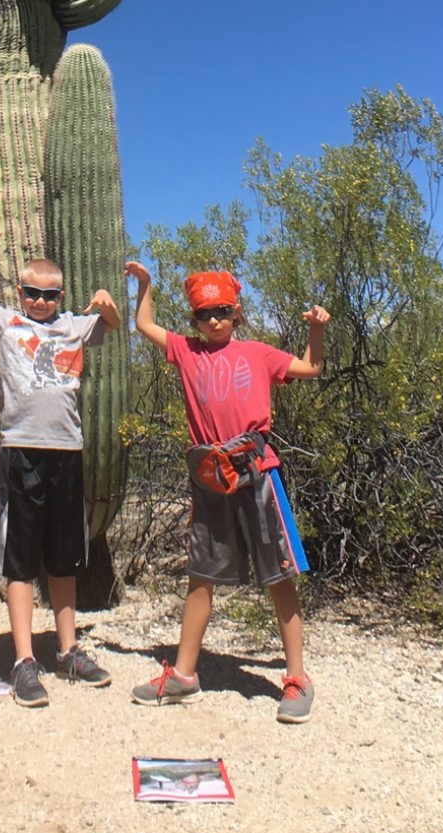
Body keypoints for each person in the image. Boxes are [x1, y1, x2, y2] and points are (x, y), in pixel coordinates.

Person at [125, 261, 329, 723]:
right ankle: (184, 674)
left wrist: (316, 330)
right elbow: (143, 325)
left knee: (279, 573)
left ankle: (296, 677)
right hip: (211, 476)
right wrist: (145, 286)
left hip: (256, 470)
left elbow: (311, 368)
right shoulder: (186, 351)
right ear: (194, 319)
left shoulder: (258, 353)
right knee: (202, 573)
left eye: (221, 311)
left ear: (236, 313)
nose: (213, 320)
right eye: (203, 314)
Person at [0, 211, 120, 708]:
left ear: (62, 298)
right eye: (33, 292)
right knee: (21, 559)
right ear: (22, 293)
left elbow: (111, 325)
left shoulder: (74, 327)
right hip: (23, 450)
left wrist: (109, 305)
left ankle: (69, 649)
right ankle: (25, 659)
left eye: (51, 295)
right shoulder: (8, 323)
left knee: (63, 557)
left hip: (67, 452)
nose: (41, 301)